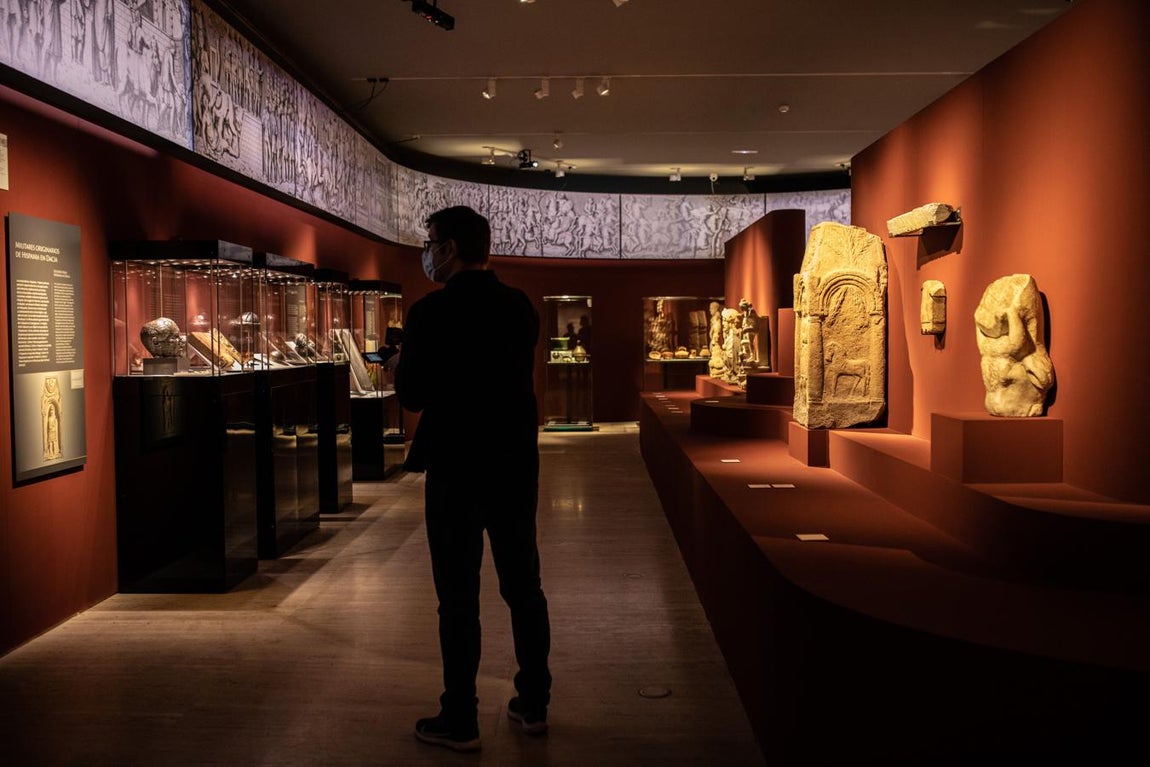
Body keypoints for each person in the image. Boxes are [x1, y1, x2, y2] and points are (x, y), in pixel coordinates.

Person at [396, 206, 552, 753]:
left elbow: (413, 394)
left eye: (431, 243)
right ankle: (534, 703)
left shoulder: (429, 312)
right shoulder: (519, 307)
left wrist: (404, 362)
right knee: (524, 586)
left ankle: (460, 716)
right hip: (512, 463)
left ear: (451, 248)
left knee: (457, 597)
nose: (428, 252)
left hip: (454, 468)